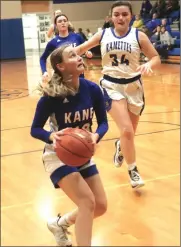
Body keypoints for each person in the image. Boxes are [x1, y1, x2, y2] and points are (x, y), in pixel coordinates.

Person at [75, 0, 161, 189]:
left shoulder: (139, 36)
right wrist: (65, 55)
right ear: (111, 17)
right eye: (117, 14)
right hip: (111, 85)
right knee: (127, 130)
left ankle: (120, 146)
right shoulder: (103, 34)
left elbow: (156, 57)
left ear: (131, 16)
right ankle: (133, 170)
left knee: (130, 133)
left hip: (134, 87)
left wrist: (149, 64)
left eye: (124, 14)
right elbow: (80, 49)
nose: (121, 17)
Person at [31, 44, 108, 246]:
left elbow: (103, 123)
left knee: (100, 206)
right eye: (72, 55)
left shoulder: (92, 89)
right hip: (57, 155)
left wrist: (96, 136)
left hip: (81, 153)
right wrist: (51, 137)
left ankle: (60, 224)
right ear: (61, 66)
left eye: (78, 54)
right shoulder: (50, 97)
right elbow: (35, 129)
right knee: (87, 202)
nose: (79, 57)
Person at [40, 14, 91, 83]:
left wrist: (88, 52)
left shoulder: (77, 37)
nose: (63, 23)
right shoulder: (53, 42)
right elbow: (42, 58)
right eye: (60, 21)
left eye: (64, 21)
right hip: (63, 77)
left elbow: (86, 48)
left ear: (68, 23)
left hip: (79, 74)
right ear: (56, 25)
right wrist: (44, 72)